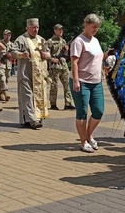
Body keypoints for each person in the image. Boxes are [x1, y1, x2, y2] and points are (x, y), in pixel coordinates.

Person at [70, 14, 113, 152]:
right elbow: (74, 62)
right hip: (82, 81)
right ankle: (83, 142)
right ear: (86, 25)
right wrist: (76, 81)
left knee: (98, 111)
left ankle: (88, 135)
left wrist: (107, 55)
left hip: (96, 81)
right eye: (93, 27)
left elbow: (97, 58)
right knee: (82, 112)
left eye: (97, 27)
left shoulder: (95, 41)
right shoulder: (78, 41)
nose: (96, 30)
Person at [10, 18, 51, 129]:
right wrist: (21, 55)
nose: (35, 29)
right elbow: (13, 52)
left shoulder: (41, 39)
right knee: (27, 96)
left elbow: (48, 53)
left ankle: (36, 118)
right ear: (27, 28)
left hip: (39, 74)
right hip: (25, 73)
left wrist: (47, 55)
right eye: (33, 27)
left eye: (37, 27)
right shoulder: (21, 39)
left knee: (39, 95)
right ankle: (32, 120)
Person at [47, 24, 75, 111]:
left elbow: (66, 56)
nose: (61, 31)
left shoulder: (63, 41)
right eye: (59, 30)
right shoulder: (50, 41)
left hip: (63, 66)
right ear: (55, 30)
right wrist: (52, 59)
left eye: (62, 30)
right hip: (54, 66)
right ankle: (53, 104)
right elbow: (46, 55)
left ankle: (68, 103)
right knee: (54, 85)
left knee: (67, 85)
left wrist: (67, 50)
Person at [0, 29, 13, 102]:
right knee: (2, 78)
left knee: (5, 80)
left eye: (9, 35)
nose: (8, 37)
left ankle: (1, 95)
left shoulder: (12, 45)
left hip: (8, 65)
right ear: (3, 35)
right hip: (0, 64)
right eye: (6, 35)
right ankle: (6, 93)